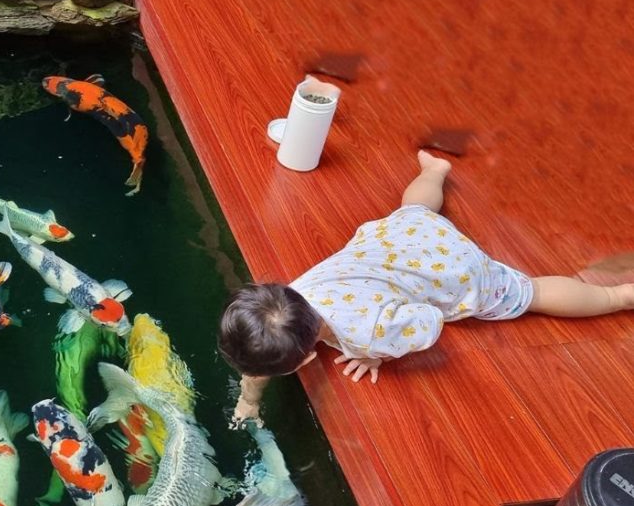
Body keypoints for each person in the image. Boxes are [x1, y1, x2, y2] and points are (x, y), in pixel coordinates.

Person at [220, 150, 634, 425]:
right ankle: (434, 170)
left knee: (534, 294)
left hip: (459, 272)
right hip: (407, 237)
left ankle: (618, 296)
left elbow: (431, 321)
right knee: (415, 207)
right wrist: (250, 400)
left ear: (307, 361)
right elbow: (262, 357)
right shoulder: (296, 293)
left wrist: (378, 353)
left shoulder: (369, 334)